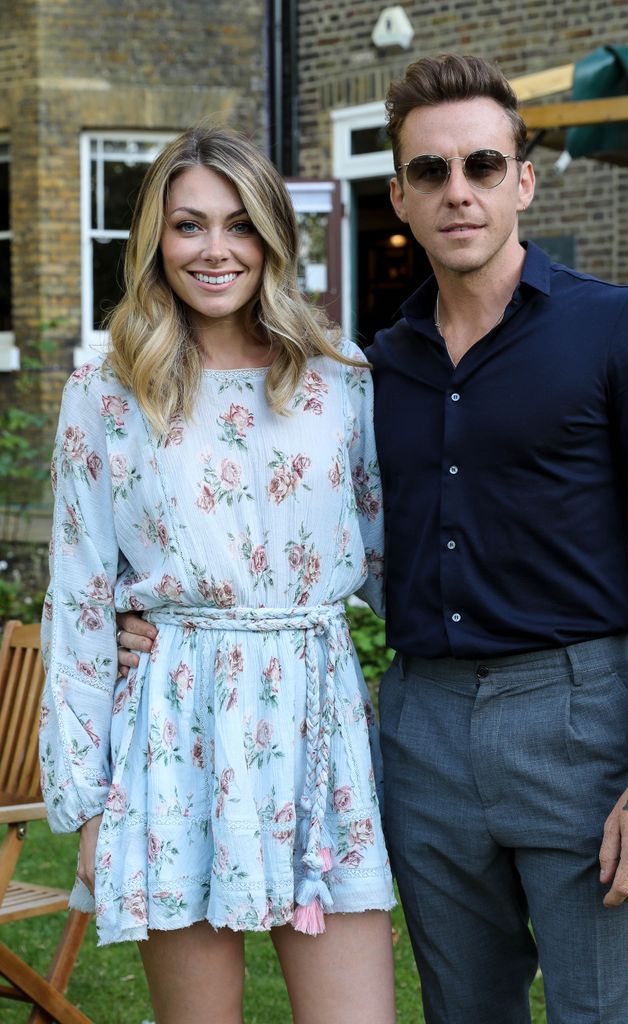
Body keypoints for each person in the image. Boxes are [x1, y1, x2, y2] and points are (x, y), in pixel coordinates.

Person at [118, 57, 628, 1024]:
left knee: (606, 1012)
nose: (460, 191)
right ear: (398, 194)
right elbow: (273, 520)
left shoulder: (618, 327)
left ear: (522, 179)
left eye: (483, 165)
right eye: (431, 172)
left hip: (571, 716)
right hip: (419, 729)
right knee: (463, 1010)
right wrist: (148, 614)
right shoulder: (363, 370)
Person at [39, 122, 396, 1024]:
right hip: (172, 729)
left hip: (319, 724)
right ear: (155, 239)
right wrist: (86, 799)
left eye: (239, 225)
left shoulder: (339, 381)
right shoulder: (104, 395)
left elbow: (393, 557)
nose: (214, 249)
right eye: (188, 224)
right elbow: (79, 596)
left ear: (273, 238)